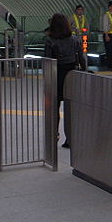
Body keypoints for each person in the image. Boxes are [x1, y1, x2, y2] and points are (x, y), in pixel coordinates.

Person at [44, 13, 87, 149]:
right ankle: (70, 138)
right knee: (70, 109)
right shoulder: (74, 39)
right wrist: (84, 71)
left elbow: (47, 61)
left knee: (54, 109)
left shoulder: (50, 40)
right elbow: (81, 58)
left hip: (55, 77)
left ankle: (53, 136)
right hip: (71, 76)